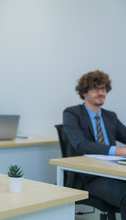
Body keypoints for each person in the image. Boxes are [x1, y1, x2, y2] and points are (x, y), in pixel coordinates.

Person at [63, 70, 126, 219]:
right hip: (88, 177)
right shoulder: (72, 114)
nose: (100, 92)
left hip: (113, 172)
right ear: (84, 92)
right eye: (95, 89)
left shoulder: (110, 116)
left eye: (103, 89)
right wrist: (118, 150)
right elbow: (81, 145)